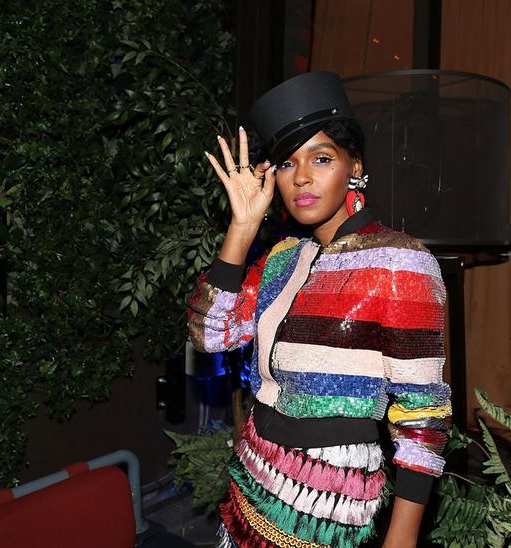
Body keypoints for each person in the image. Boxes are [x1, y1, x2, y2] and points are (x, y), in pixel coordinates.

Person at [188, 72, 450, 548]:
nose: (302, 176)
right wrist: (241, 230)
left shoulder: (400, 260)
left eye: (321, 158)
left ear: (355, 166)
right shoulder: (283, 258)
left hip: (328, 501)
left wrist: (402, 536)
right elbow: (211, 335)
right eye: (287, 163)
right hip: (251, 476)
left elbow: (423, 416)